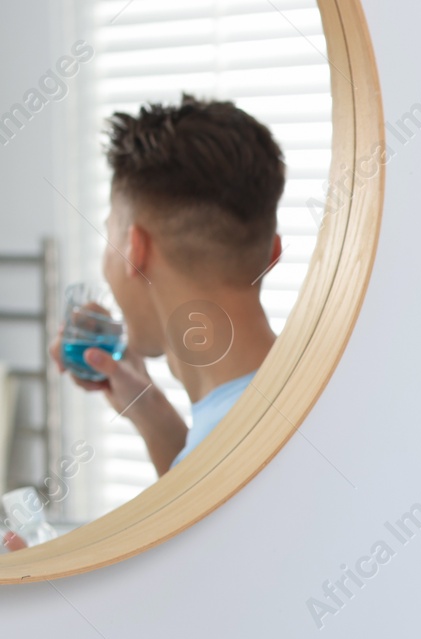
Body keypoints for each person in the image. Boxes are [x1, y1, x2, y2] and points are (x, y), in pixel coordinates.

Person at [49, 93, 285, 475]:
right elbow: (195, 498)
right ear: (272, 254)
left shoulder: (221, 462)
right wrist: (147, 407)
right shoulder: (297, 400)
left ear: (134, 248)